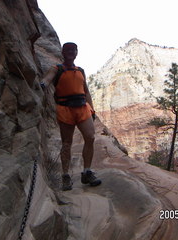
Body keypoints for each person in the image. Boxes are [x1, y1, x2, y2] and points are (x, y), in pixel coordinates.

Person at [40, 42, 101, 191]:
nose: (71, 52)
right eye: (68, 50)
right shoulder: (57, 69)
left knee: (90, 137)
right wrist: (42, 84)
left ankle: (87, 171)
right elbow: (47, 79)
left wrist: (91, 109)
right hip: (65, 109)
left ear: (76, 52)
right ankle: (65, 175)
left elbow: (85, 91)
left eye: (73, 50)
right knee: (67, 143)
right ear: (63, 52)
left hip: (82, 108)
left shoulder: (80, 70)